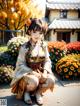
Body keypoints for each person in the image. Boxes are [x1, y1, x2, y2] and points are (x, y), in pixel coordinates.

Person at [10, 18, 55, 105]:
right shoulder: (24, 47)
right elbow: (20, 64)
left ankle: (38, 93)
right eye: (34, 32)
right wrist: (32, 72)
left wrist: (45, 72)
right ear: (30, 31)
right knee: (34, 81)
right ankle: (26, 92)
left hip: (40, 71)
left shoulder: (43, 45)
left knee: (51, 80)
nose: (37, 35)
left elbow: (47, 60)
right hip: (26, 73)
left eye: (40, 33)